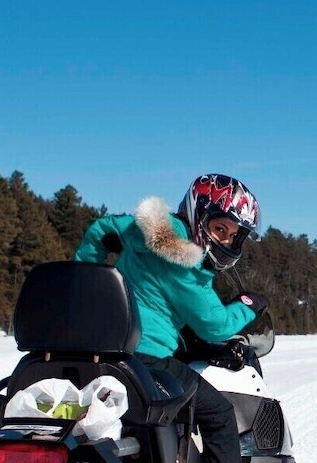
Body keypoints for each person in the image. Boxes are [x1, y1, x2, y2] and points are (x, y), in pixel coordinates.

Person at [73, 173, 264, 463]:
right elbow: (215, 326)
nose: (226, 240)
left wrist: (87, 281)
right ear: (198, 216)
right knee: (220, 415)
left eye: (233, 234)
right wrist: (249, 305)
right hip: (147, 359)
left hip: (103, 348)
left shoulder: (144, 229)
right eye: (219, 228)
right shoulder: (185, 264)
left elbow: (101, 229)